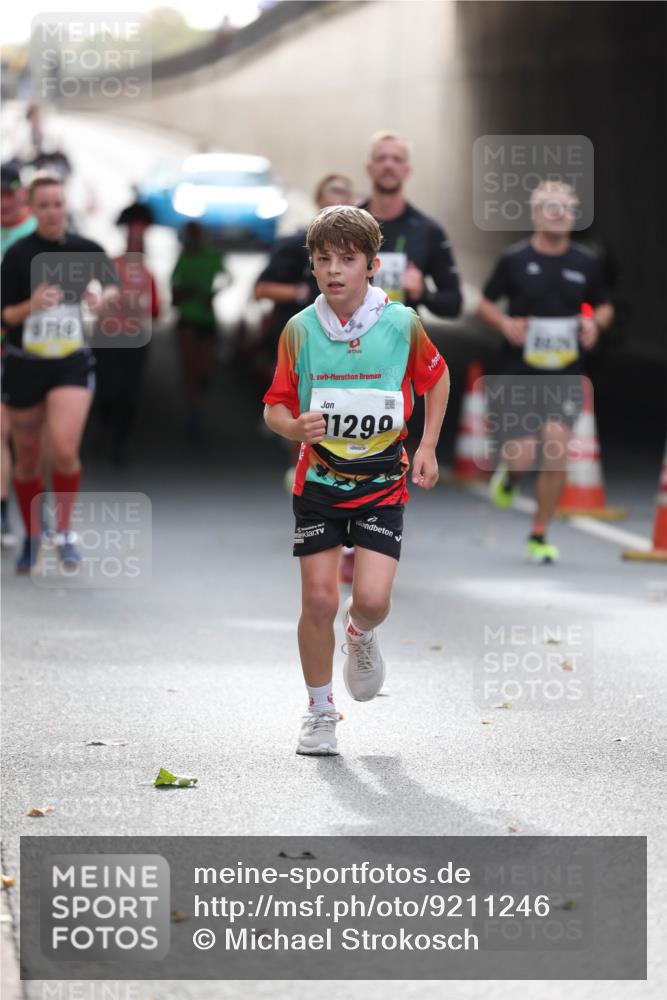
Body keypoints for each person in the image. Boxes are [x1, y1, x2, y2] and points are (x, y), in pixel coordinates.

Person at [263, 205, 450, 755]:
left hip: (382, 484)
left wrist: (428, 445)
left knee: (370, 600)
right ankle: (320, 711)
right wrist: (294, 425)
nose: (335, 269)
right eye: (324, 260)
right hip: (319, 485)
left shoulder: (401, 324)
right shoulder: (299, 330)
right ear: (313, 267)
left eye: (347, 259)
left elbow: (436, 380)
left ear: (372, 265)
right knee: (318, 600)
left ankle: (361, 634)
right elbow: (274, 406)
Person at [332, 131, 463, 584]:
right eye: (380, 158)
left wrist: (420, 287)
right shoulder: (346, 224)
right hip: (343, 351)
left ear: (406, 170)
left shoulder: (427, 232)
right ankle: (347, 531)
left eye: (397, 159)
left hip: (397, 355)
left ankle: (364, 534)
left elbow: (454, 303)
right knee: (348, 437)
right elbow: (314, 283)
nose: (388, 165)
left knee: (386, 439)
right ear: (368, 168)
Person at [476, 180, 614, 563]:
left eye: (565, 207)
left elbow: (604, 306)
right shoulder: (514, 259)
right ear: (536, 214)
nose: (558, 213)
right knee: (523, 456)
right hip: (518, 369)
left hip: (566, 372)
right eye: (550, 206)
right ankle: (511, 475)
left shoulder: (586, 262)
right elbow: (483, 304)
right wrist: (504, 324)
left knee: (555, 452)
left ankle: (539, 533)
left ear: (574, 215)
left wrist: (595, 325)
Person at [1, 174, 118, 572]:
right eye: (44, 205)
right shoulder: (18, 256)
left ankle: (64, 531)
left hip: (70, 361)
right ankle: (34, 535)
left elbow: (113, 286)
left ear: (67, 207)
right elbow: (3, 319)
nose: (52, 212)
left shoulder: (88, 249)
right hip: (24, 364)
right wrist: (27, 307)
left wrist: (100, 298)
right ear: (32, 210)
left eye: (58, 203)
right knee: (28, 457)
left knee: (65, 449)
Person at [255, 173, 354, 489]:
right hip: (300, 347)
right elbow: (261, 289)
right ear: (318, 200)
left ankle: (344, 478)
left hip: (346, 347)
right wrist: (299, 294)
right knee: (303, 412)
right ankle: (300, 469)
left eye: (345, 195)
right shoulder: (293, 246)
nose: (338, 199)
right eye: (332, 194)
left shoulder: (362, 254)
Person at [94, 202, 159, 465]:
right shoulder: (111, 265)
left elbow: (156, 310)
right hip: (107, 338)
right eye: (134, 238)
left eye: (140, 239)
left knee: (129, 394)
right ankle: (104, 424)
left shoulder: (148, 274)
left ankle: (119, 442)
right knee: (107, 388)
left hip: (134, 342)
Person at [1, 162, 36, 548]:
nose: (4, 201)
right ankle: (3, 514)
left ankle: (39, 515)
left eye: (10, 192)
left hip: (37, 351)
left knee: (33, 440)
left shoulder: (38, 229)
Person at [170, 221, 225, 443]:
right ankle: (194, 406)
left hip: (206, 318)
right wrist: (187, 293)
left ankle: (197, 398)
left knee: (204, 365)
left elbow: (229, 278)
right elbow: (173, 290)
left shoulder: (212, 256)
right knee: (189, 364)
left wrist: (213, 294)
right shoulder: (184, 258)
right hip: (188, 319)